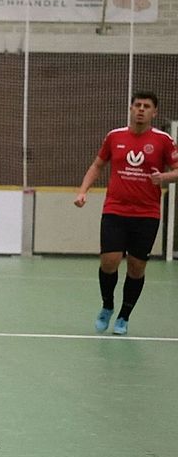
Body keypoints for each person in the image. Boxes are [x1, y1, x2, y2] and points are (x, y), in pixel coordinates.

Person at [74, 90, 177, 335]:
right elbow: (98, 165)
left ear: (155, 112)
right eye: (137, 105)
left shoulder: (163, 140)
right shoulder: (114, 137)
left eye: (147, 106)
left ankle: (124, 316)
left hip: (147, 213)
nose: (141, 109)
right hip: (115, 209)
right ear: (131, 109)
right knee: (109, 261)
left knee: (136, 267)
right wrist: (82, 191)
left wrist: (163, 177)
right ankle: (107, 305)